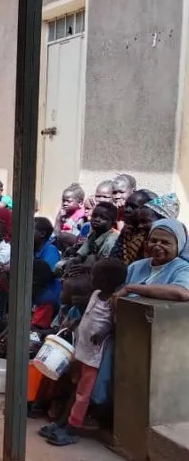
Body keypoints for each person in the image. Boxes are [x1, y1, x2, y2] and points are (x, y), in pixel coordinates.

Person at [47, 258, 127, 446]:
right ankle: (62, 422)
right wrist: (75, 323)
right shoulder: (96, 293)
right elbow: (89, 315)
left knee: (83, 394)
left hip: (94, 357)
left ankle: (72, 429)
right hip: (81, 350)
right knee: (75, 389)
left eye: (94, 275)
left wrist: (103, 332)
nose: (90, 278)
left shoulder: (113, 301)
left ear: (105, 281)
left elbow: (115, 325)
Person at [115, 219, 189, 302]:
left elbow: (182, 293)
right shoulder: (135, 266)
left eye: (165, 242)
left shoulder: (183, 268)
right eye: (153, 241)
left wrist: (131, 288)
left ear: (179, 246)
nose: (157, 246)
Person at [110, 190, 157, 265]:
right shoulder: (128, 229)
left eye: (133, 207)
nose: (127, 210)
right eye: (126, 205)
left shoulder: (152, 234)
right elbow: (114, 256)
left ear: (147, 210)